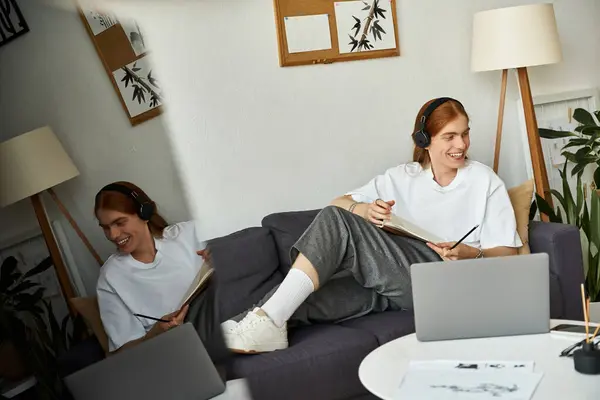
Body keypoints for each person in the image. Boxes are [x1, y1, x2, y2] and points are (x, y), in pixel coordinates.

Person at [223, 97, 523, 354]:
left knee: (336, 221)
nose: (461, 144)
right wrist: (364, 209)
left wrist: (471, 254)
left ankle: (263, 323)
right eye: (450, 136)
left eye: (465, 134)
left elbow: (508, 256)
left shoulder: (485, 181)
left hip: (447, 281)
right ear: (424, 140)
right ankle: (237, 331)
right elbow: (339, 202)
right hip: (393, 283)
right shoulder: (400, 177)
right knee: (301, 299)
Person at [94, 181, 225, 363]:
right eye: (106, 227)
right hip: (179, 346)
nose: (113, 235)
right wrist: (156, 332)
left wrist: (224, 254)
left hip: (219, 314)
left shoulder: (188, 233)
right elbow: (124, 353)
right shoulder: (111, 277)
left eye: (119, 223)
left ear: (144, 214)